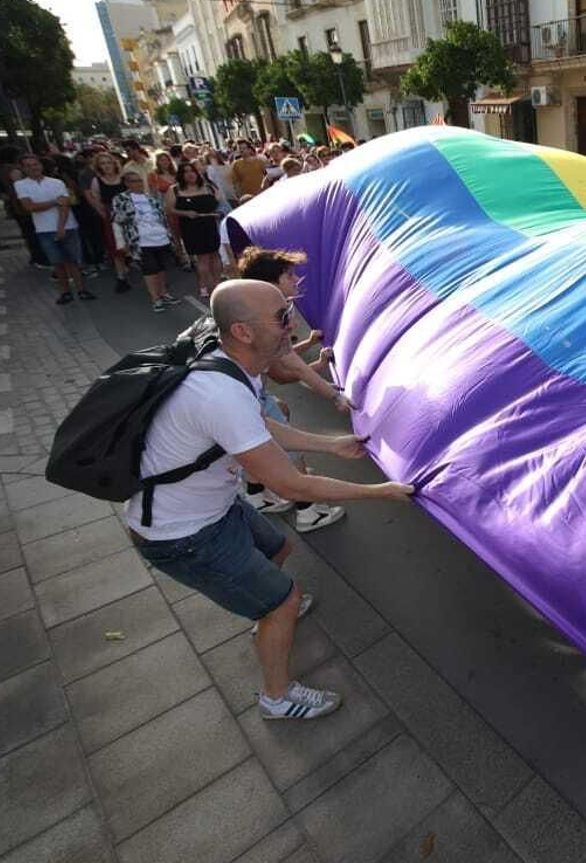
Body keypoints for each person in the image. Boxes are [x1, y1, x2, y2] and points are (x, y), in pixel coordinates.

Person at [127, 278, 413, 719]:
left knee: (279, 547)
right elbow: (291, 487)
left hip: (211, 509)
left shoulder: (233, 369)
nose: (290, 324)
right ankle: (276, 698)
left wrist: (328, 444)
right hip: (180, 535)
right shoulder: (219, 393)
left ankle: (264, 612)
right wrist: (379, 492)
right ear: (242, 331)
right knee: (285, 600)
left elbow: (257, 425)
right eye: (281, 317)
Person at [233, 246, 348, 534]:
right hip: (241, 397)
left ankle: (256, 493)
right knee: (292, 452)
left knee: (279, 412)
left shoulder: (247, 306)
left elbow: (279, 369)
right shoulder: (268, 317)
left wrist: (311, 348)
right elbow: (293, 368)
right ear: (271, 286)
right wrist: (335, 396)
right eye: (289, 275)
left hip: (238, 392)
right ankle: (308, 511)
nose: (296, 279)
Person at [15, 154, 93, 306]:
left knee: (74, 261)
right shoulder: (21, 185)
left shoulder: (57, 182)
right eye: (28, 165)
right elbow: (29, 207)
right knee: (57, 262)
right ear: (24, 169)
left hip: (67, 226)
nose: (33, 168)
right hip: (44, 229)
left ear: (41, 165)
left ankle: (81, 289)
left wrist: (61, 227)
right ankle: (65, 292)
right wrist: (54, 202)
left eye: (35, 164)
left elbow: (64, 205)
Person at [111, 171, 180, 312]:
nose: (138, 184)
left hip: (161, 238)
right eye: (134, 181)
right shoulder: (121, 199)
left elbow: (161, 218)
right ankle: (155, 298)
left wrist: (170, 237)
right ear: (127, 183)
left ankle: (163, 293)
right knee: (150, 270)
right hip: (141, 241)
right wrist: (121, 243)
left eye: (139, 181)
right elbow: (116, 222)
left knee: (161, 268)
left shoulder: (150, 197)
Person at [169, 161, 223, 299]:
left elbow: (219, 202)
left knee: (215, 254)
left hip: (210, 224)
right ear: (181, 175)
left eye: (192, 170)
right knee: (202, 258)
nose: (190, 174)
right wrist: (185, 213)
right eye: (185, 171)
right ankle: (203, 286)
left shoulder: (208, 187)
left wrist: (217, 213)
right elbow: (168, 209)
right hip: (191, 227)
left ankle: (217, 284)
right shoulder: (175, 189)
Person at [86, 152, 134, 293]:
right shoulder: (97, 181)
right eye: (103, 163)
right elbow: (97, 202)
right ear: (98, 166)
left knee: (135, 244)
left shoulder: (124, 179)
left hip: (129, 215)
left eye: (109, 162)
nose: (106, 166)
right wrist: (108, 218)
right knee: (116, 248)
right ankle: (121, 278)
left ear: (114, 163)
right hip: (111, 217)